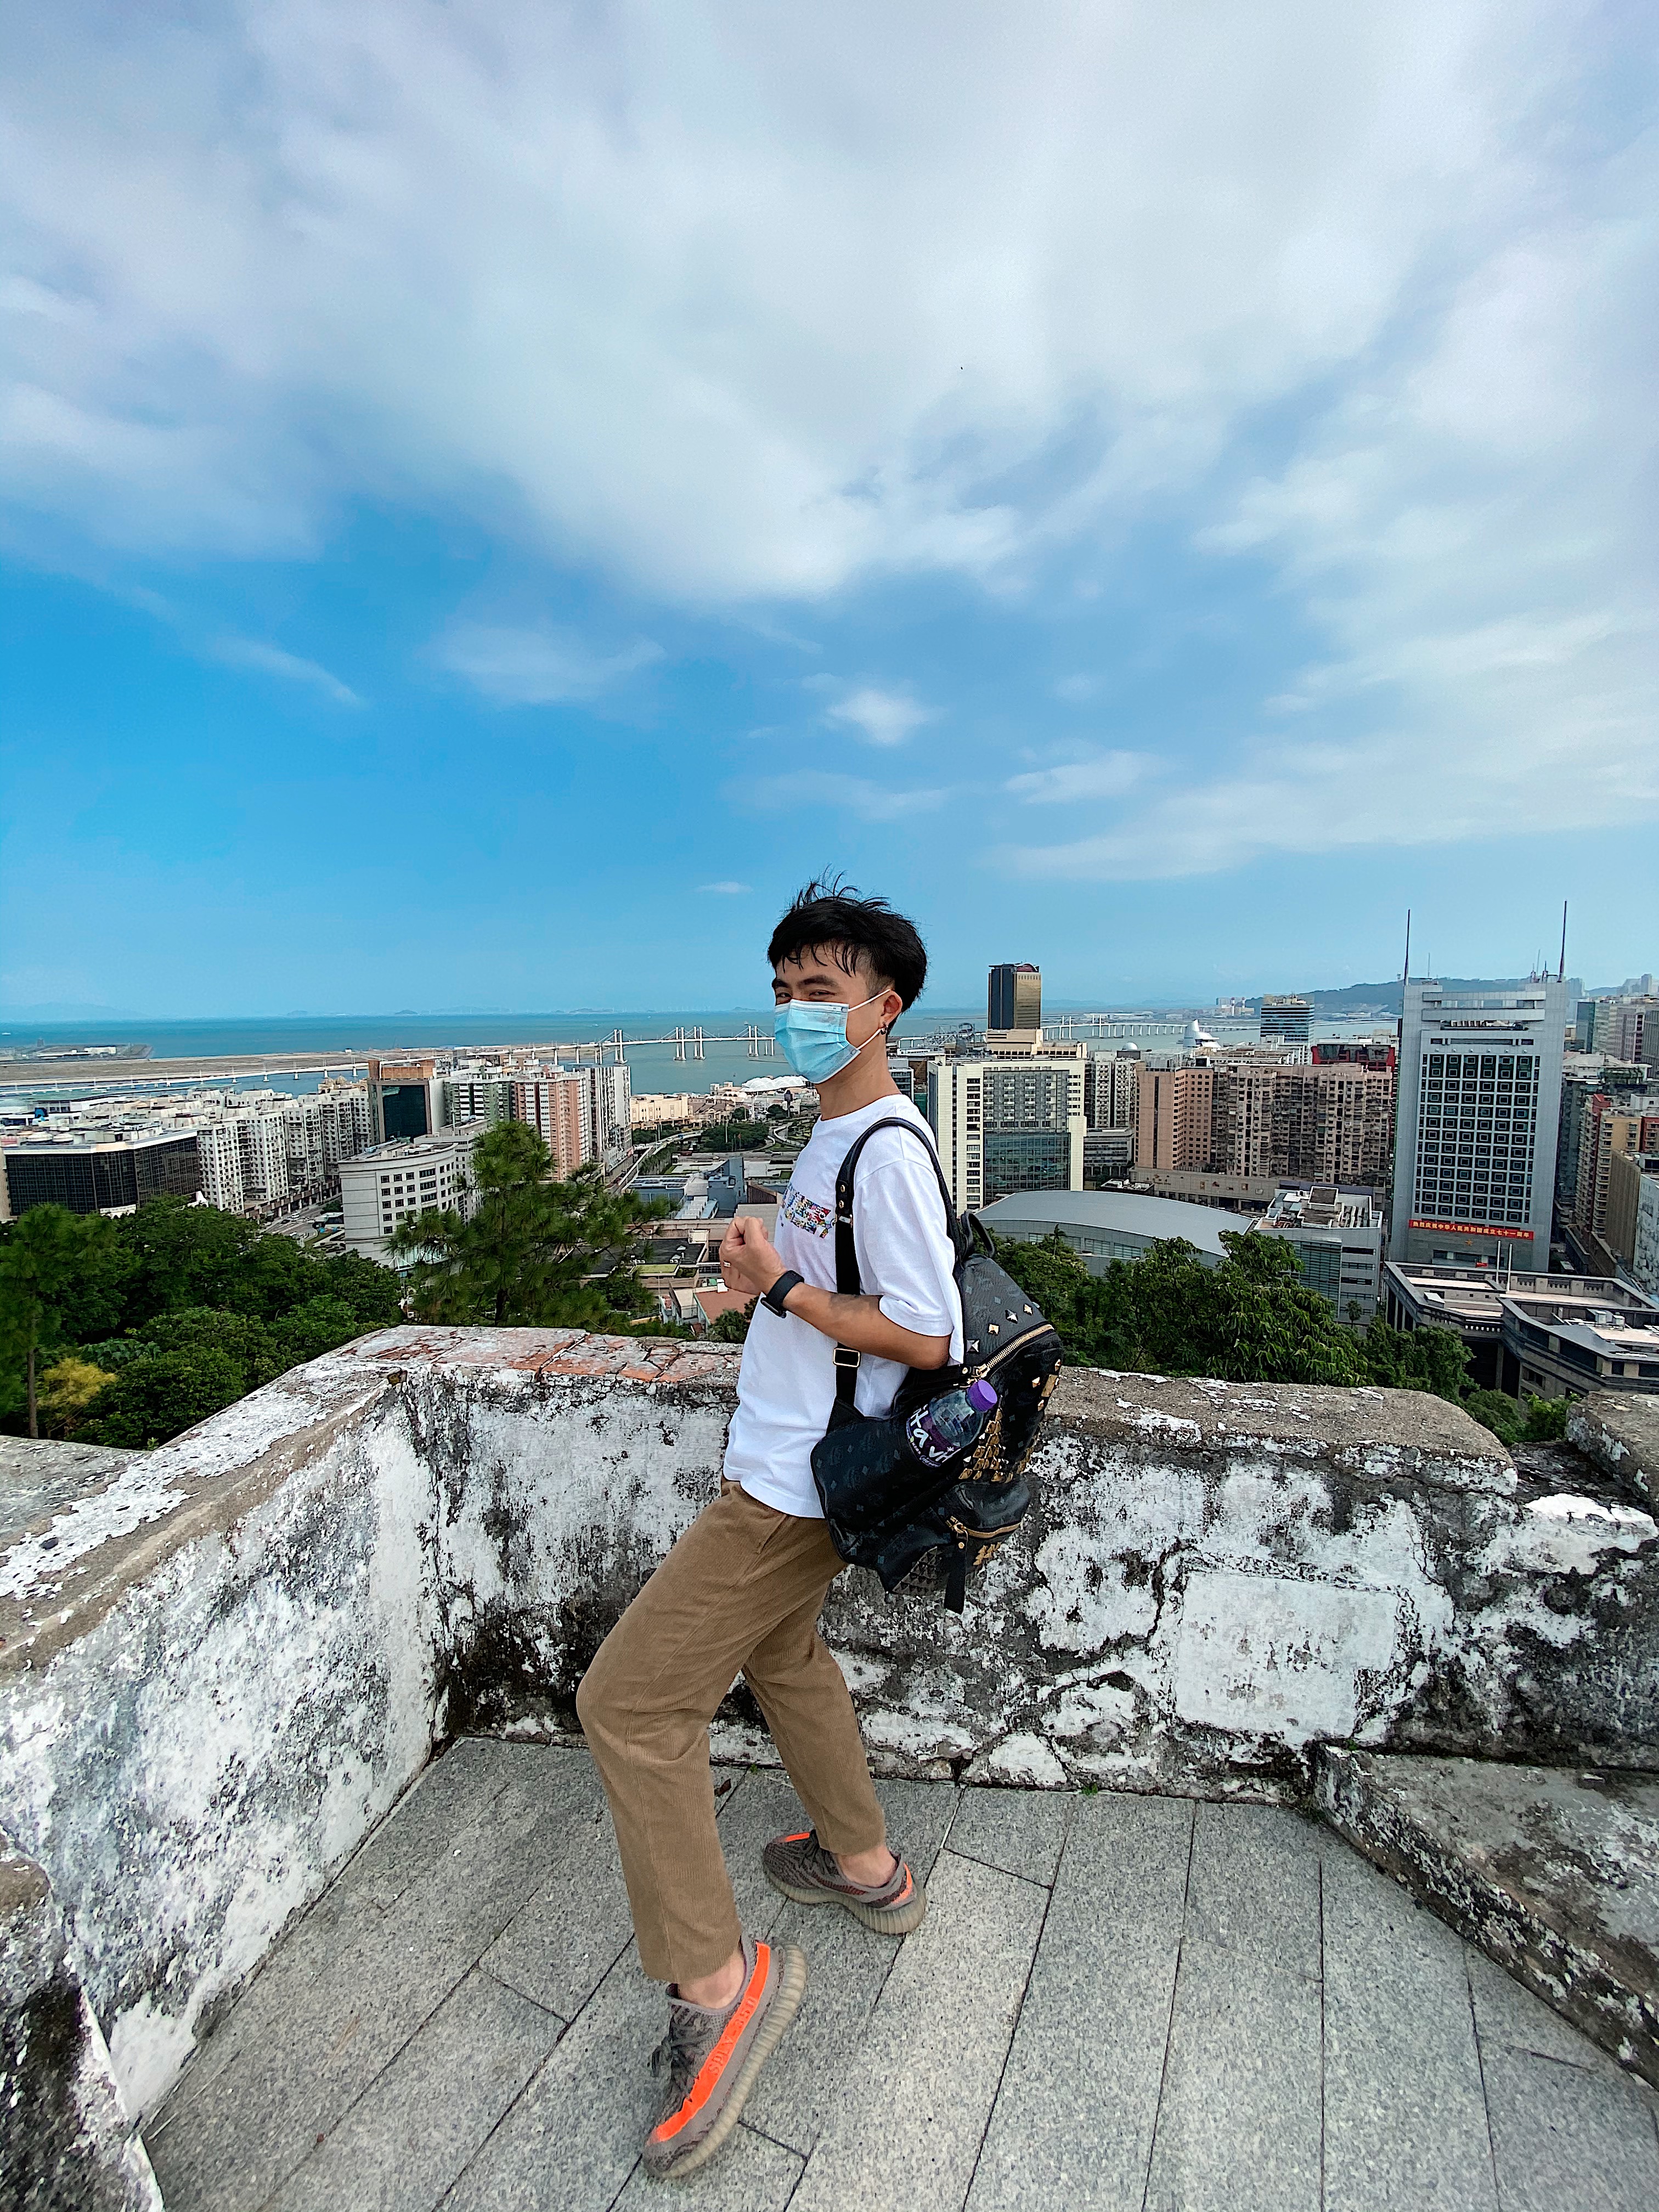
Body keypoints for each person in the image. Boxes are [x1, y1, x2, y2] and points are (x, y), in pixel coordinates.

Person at [577, 879, 963, 2181]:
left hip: (795, 1487)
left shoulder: (884, 1149)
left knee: (630, 1707)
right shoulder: (833, 1135)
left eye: (822, 992)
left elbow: (926, 1335)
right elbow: (826, 1295)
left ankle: (718, 1985)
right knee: (785, 1657)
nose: (796, 1011)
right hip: (795, 1464)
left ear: (884, 1008)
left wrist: (778, 1284)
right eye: (784, 991)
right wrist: (760, 1280)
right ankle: (865, 1863)